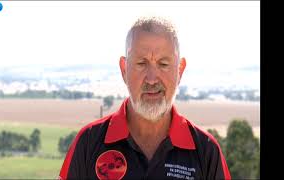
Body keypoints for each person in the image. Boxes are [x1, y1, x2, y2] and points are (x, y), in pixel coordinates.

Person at [59, 16, 231, 180]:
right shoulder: (88, 143)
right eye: (141, 64)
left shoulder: (206, 152)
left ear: (180, 70)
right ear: (124, 69)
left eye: (163, 64)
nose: (151, 78)